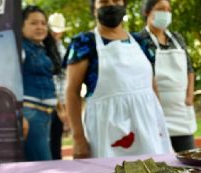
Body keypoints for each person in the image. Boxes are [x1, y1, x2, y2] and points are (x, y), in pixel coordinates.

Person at [65, 0, 172, 158]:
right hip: (107, 128)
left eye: (116, 0)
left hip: (148, 124)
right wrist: (78, 138)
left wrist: (159, 121)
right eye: (104, 1)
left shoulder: (141, 41)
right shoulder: (84, 43)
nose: (111, 4)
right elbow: (72, 92)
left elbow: (152, 85)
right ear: (94, 9)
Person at [137, 0, 197, 152]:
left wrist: (189, 96)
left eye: (168, 10)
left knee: (188, 158)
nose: (166, 13)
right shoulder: (140, 40)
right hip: (155, 110)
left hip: (181, 110)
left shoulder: (177, 39)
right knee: (160, 162)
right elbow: (142, 74)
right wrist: (155, 104)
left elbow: (190, 69)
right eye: (161, 9)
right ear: (147, 12)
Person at [21, 5, 62, 161]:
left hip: (46, 114)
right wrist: (18, 115)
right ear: (22, 26)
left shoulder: (43, 49)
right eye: (34, 23)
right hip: (30, 114)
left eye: (43, 23)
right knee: (43, 165)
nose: (40, 27)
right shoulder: (20, 49)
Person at [48, 13, 71, 160]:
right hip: (51, 104)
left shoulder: (61, 47)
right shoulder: (46, 48)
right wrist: (60, 108)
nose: (56, 32)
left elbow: (65, 79)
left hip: (62, 103)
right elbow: (53, 81)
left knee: (56, 145)